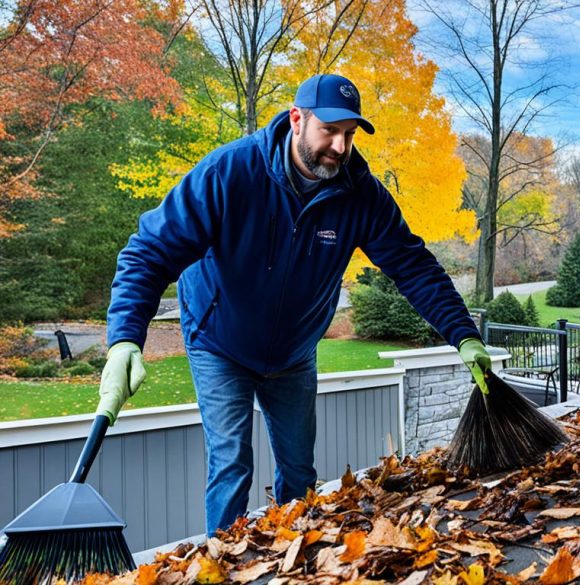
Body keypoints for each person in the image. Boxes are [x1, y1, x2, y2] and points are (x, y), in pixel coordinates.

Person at [98, 73, 491, 535]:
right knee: (231, 467)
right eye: (330, 130)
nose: (341, 147)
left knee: (300, 473)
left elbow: (413, 266)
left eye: (349, 134)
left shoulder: (359, 194)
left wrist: (463, 335)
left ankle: (295, 560)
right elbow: (149, 250)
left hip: (294, 351)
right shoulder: (229, 172)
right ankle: (221, 565)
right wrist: (125, 338)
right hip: (220, 341)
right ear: (297, 119)